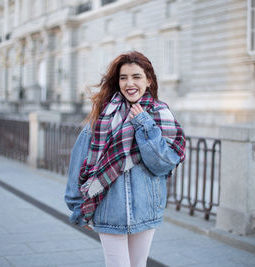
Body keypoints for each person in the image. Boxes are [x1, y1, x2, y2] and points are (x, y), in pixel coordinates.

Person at [65, 51, 186, 267]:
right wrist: (78, 206)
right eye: (123, 78)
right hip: (108, 209)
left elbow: (163, 164)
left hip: (146, 209)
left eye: (136, 77)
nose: (129, 83)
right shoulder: (103, 116)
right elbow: (78, 161)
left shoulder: (160, 114)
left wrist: (143, 123)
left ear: (148, 80)